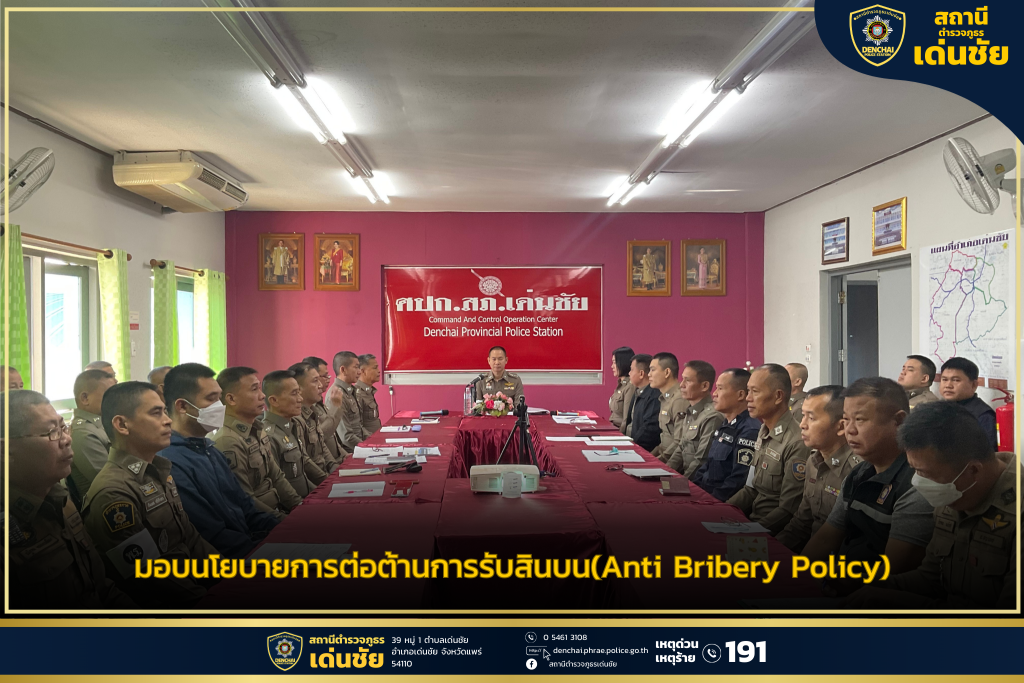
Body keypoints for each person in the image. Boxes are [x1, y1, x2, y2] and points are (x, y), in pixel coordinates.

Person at [845, 402, 1016, 609]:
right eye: (915, 470)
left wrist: (899, 601)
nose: (918, 482)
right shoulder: (952, 497)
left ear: (973, 470)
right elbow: (931, 578)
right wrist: (872, 588)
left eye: (925, 473)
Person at [82, 382, 216, 608]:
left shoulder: (157, 471)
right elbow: (149, 574)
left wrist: (231, 575)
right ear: (122, 425)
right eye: (156, 413)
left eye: (165, 411)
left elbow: (190, 537)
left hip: (193, 584)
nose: (168, 420)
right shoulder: (113, 493)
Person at [3, 390, 136, 609]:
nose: (66, 439)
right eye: (51, 432)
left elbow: (101, 586)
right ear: (6, 451)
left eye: (63, 428)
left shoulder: (62, 501)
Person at [802, 378, 934, 594]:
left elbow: (892, 570)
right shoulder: (860, 473)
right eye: (846, 420)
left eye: (860, 420)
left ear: (899, 421)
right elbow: (826, 539)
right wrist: (795, 577)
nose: (849, 430)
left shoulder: (916, 482)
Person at [158, 363, 280, 558]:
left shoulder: (209, 450)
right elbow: (209, 533)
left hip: (249, 546)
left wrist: (286, 528)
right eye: (211, 399)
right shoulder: (170, 462)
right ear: (182, 406)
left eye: (219, 397)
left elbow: (246, 507)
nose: (219, 406)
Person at [776, 385, 862, 553]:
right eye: (803, 416)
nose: (802, 425)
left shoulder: (857, 472)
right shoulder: (813, 462)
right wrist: (771, 550)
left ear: (841, 427)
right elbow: (801, 523)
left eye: (811, 418)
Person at [726, 364, 811, 534]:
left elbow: (787, 510)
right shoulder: (763, 431)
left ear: (778, 396)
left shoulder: (795, 442)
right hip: (752, 522)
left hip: (772, 531)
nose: (748, 398)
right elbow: (750, 489)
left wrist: (748, 532)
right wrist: (721, 511)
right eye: (748, 391)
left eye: (755, 392)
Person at [214, 366, 302, 521]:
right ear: (231, 399)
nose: (262, 396)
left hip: (277, 511)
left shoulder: (257, 429)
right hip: (261, 524)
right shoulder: (227, 440)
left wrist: (299, 506)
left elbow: (277, 477)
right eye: (254, 389)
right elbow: (245, 500)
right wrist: (285, 521)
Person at [692, 368, 760, 501]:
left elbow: (738, 481)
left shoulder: (749, 430)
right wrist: (693, 490)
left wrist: (708, 502)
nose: (714, 393)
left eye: (720, 388)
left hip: (720, 501)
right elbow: (708, 465)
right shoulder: (726, 424)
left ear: (740, 395)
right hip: (705, 494)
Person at [263, 369, 318, 497]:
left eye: (299, 392)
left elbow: (302, 475)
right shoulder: (268, 436)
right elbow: (277, 484)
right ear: (274, 400)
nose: (300, 399)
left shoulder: (292, 425)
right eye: (294, 394)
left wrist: (322, 492)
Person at [666, 360, 725, 477]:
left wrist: (681, 483)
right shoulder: (691, 411)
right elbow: (681, 448)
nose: (681, 385)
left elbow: (701, 461)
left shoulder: (712, 417)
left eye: (687, 381)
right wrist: (664, 472)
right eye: (682, 379)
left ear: (704, 386)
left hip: (696, 481)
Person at [68, 369, 118, 506]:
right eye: (109, 395)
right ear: (85, 398)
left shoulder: (105, 423)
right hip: (108, 506)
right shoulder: (83, 433)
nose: (116, 400)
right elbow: (111, 482)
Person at [288, 361, 340, 477]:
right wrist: (327, 479)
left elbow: (322, 447)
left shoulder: (312, 412)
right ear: (298, 388)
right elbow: (306, 462)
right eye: (315, 381)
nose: (320, 385)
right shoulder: (295, 419)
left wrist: (336, 468)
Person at [939, 357, 997, 449]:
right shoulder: (939, 408)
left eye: (956, 380)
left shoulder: (983, 416)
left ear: (973, 385)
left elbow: (987, 452)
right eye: (944, 379)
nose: (948, 385)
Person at [303, 355, 347, 462]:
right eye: (324, 376)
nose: (328, 379)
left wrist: (345, 456)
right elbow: (322, 435)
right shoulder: (307, 407)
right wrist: (336, 407)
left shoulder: (318, 402)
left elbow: (333, 438)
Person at [648, 352, 689, 465]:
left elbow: (679, 442)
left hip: (673, 463)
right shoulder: (665, 398)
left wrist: (657, 463)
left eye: (652, 370)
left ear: (667, 372)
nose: (649, 374)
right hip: (663, 456)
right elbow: (664, 439)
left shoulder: (679, 400)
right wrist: (649, 458)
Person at [624, 354, 660, 452]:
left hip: (641, 448)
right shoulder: (638, 391)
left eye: (631, 370)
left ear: (641, 374)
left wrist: (632, 447)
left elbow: (648, 429)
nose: (629, 373)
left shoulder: (653, 395)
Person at [332, 351, 364, 454]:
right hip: (351, 452)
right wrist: (367, 448)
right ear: (343, 370)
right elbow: (346, 437)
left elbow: (359, 426)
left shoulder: (349, 391)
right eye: (356, 367)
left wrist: (372, 441)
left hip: (359, 446)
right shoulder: (336, 394)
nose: (359, 372)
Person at [608, 346, 636, 433]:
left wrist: (620, 436)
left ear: (623, 363)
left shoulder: (630, 386)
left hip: (620, 432)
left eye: (614, 362)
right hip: (612, 428)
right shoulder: (621, 385)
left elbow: (626, 419)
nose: (612, 366)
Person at [355, 353, 383, 438]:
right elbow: (357, 427)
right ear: (363, 371)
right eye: (375, 368)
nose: (379, 371)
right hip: (368, 441)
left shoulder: (368, 391)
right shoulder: (358, 394)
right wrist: (372, 440)